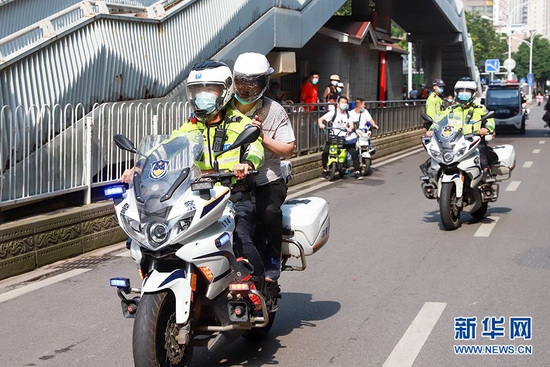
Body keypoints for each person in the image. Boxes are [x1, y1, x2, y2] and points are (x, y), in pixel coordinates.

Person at [121, 60, 265, 277]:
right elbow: (165, 147)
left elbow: (256, 147)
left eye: (209, 89)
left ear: (225, 91)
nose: (202, 95)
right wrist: (139, 166)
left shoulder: (239, 123)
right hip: (200, 195)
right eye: (197, 90)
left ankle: (260, 282)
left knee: (240, 237)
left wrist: (247, 164)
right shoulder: (190, 127)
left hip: (234, 194)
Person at [231, 52, 296, 282]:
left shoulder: (274, 110)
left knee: (269, 212)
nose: (247, 89)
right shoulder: (226, 107)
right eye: (242, 82)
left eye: (253, 83)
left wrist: (261, 136)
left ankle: (272, 255)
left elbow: (288, 148)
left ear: (264, 83)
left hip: (267, 176)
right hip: (230, 178)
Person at [425, 77, 496, 180]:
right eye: (461, 91)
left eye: (467, 91)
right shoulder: (450, 109)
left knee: (482, 157)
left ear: (473, 93)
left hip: (473, 141)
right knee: (438, 157)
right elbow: (438, 121)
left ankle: (486, 179)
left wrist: (487, 129)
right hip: (454, 142)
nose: (464, 93)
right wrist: (431, 130)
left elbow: (490, 120)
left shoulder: (479, 109)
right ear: (456, 93)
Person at [318, 95, 363, 180]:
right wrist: (321, 124)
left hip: (345, 138)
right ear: (338, 104)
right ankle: (325, 170)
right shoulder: (333, 112)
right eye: (342, 102)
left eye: (345, 103)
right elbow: (321, 119)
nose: (344, 104)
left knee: (353, 152)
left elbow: (351, 124)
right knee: (325, 152)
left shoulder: (348, 114)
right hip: (334, 137)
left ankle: (357, 171)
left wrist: (350, 128)